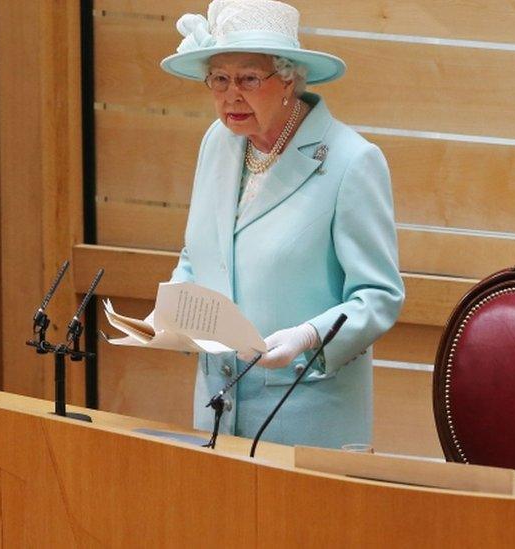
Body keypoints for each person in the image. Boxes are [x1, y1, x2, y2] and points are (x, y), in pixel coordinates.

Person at [158, 0, 404, 448]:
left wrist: (307, 336)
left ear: (289, 77)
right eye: (218, 78)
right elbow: (199, 251)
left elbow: (379, 296)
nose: (231, 95)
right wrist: (173, 310)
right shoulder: (218, 142)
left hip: (305, 417)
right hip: (216, 408)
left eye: (249, 78)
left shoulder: (353, 161)